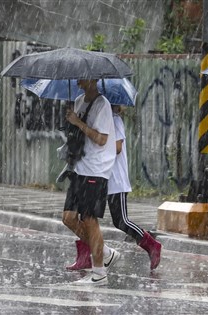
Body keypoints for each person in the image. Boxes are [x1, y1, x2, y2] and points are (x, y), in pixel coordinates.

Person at [67, 105, 162, 271]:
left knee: (121, 221)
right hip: (97, 176)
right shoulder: (96, 121)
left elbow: (117, 147)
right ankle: (84, 256)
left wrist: (95, 139)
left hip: (114, 179)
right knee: (86, 217)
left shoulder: (115, 120)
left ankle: (152, 245)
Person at [62, 79, 117, 285]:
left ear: (92, 79)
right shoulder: (78, 101)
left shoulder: (103, 104)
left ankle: (99, 272)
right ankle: (105, 252)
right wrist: (70, 123)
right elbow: (78, 133)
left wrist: (78, 122)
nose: (77, 78)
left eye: (82, 75)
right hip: (79, 166)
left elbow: (102, 139)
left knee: (89, 219)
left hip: (96, 169)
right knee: (68, 217)